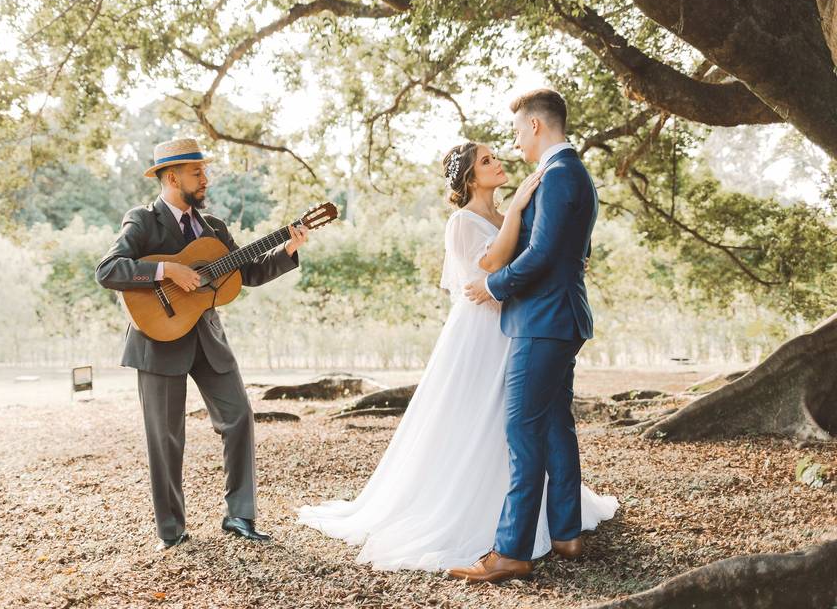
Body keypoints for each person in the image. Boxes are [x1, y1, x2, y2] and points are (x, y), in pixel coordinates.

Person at [297, 126, 616, 572]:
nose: (498, 162)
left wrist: (539, 230)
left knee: (527, 420)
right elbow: (489, 265)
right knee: (499, 420)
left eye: (494, 156)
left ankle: (536, 530)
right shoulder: (464, 221)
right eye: (486, 161)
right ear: (468, 179)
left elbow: (543, 250)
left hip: (519, 324)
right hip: (484, 329)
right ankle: (493, 521)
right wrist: (520, 210)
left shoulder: (512, 210)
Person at [96, 137, 308, 550]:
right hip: (157, 339)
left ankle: (240, 516)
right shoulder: (142, 220)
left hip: (208, 339)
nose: (205, 179)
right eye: (198, 172)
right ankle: (172, 532)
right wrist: (167, 271)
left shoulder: (214, 229)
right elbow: (108, 270)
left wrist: (288, 248)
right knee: (166, 436)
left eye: (204, 171)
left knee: (239, 416)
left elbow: (247, 273)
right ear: (172, 177)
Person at [450, 88, 605, 583]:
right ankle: (566, 533)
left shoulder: (559, 176)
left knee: (522, 430)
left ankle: (512, 550)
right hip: (559, 318)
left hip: (543, 321)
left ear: (536, 126)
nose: (515, 142)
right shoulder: (569, 175)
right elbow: (571, 252)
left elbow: (540, 257)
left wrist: (490, 285)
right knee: (557, 424)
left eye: (517, 131)